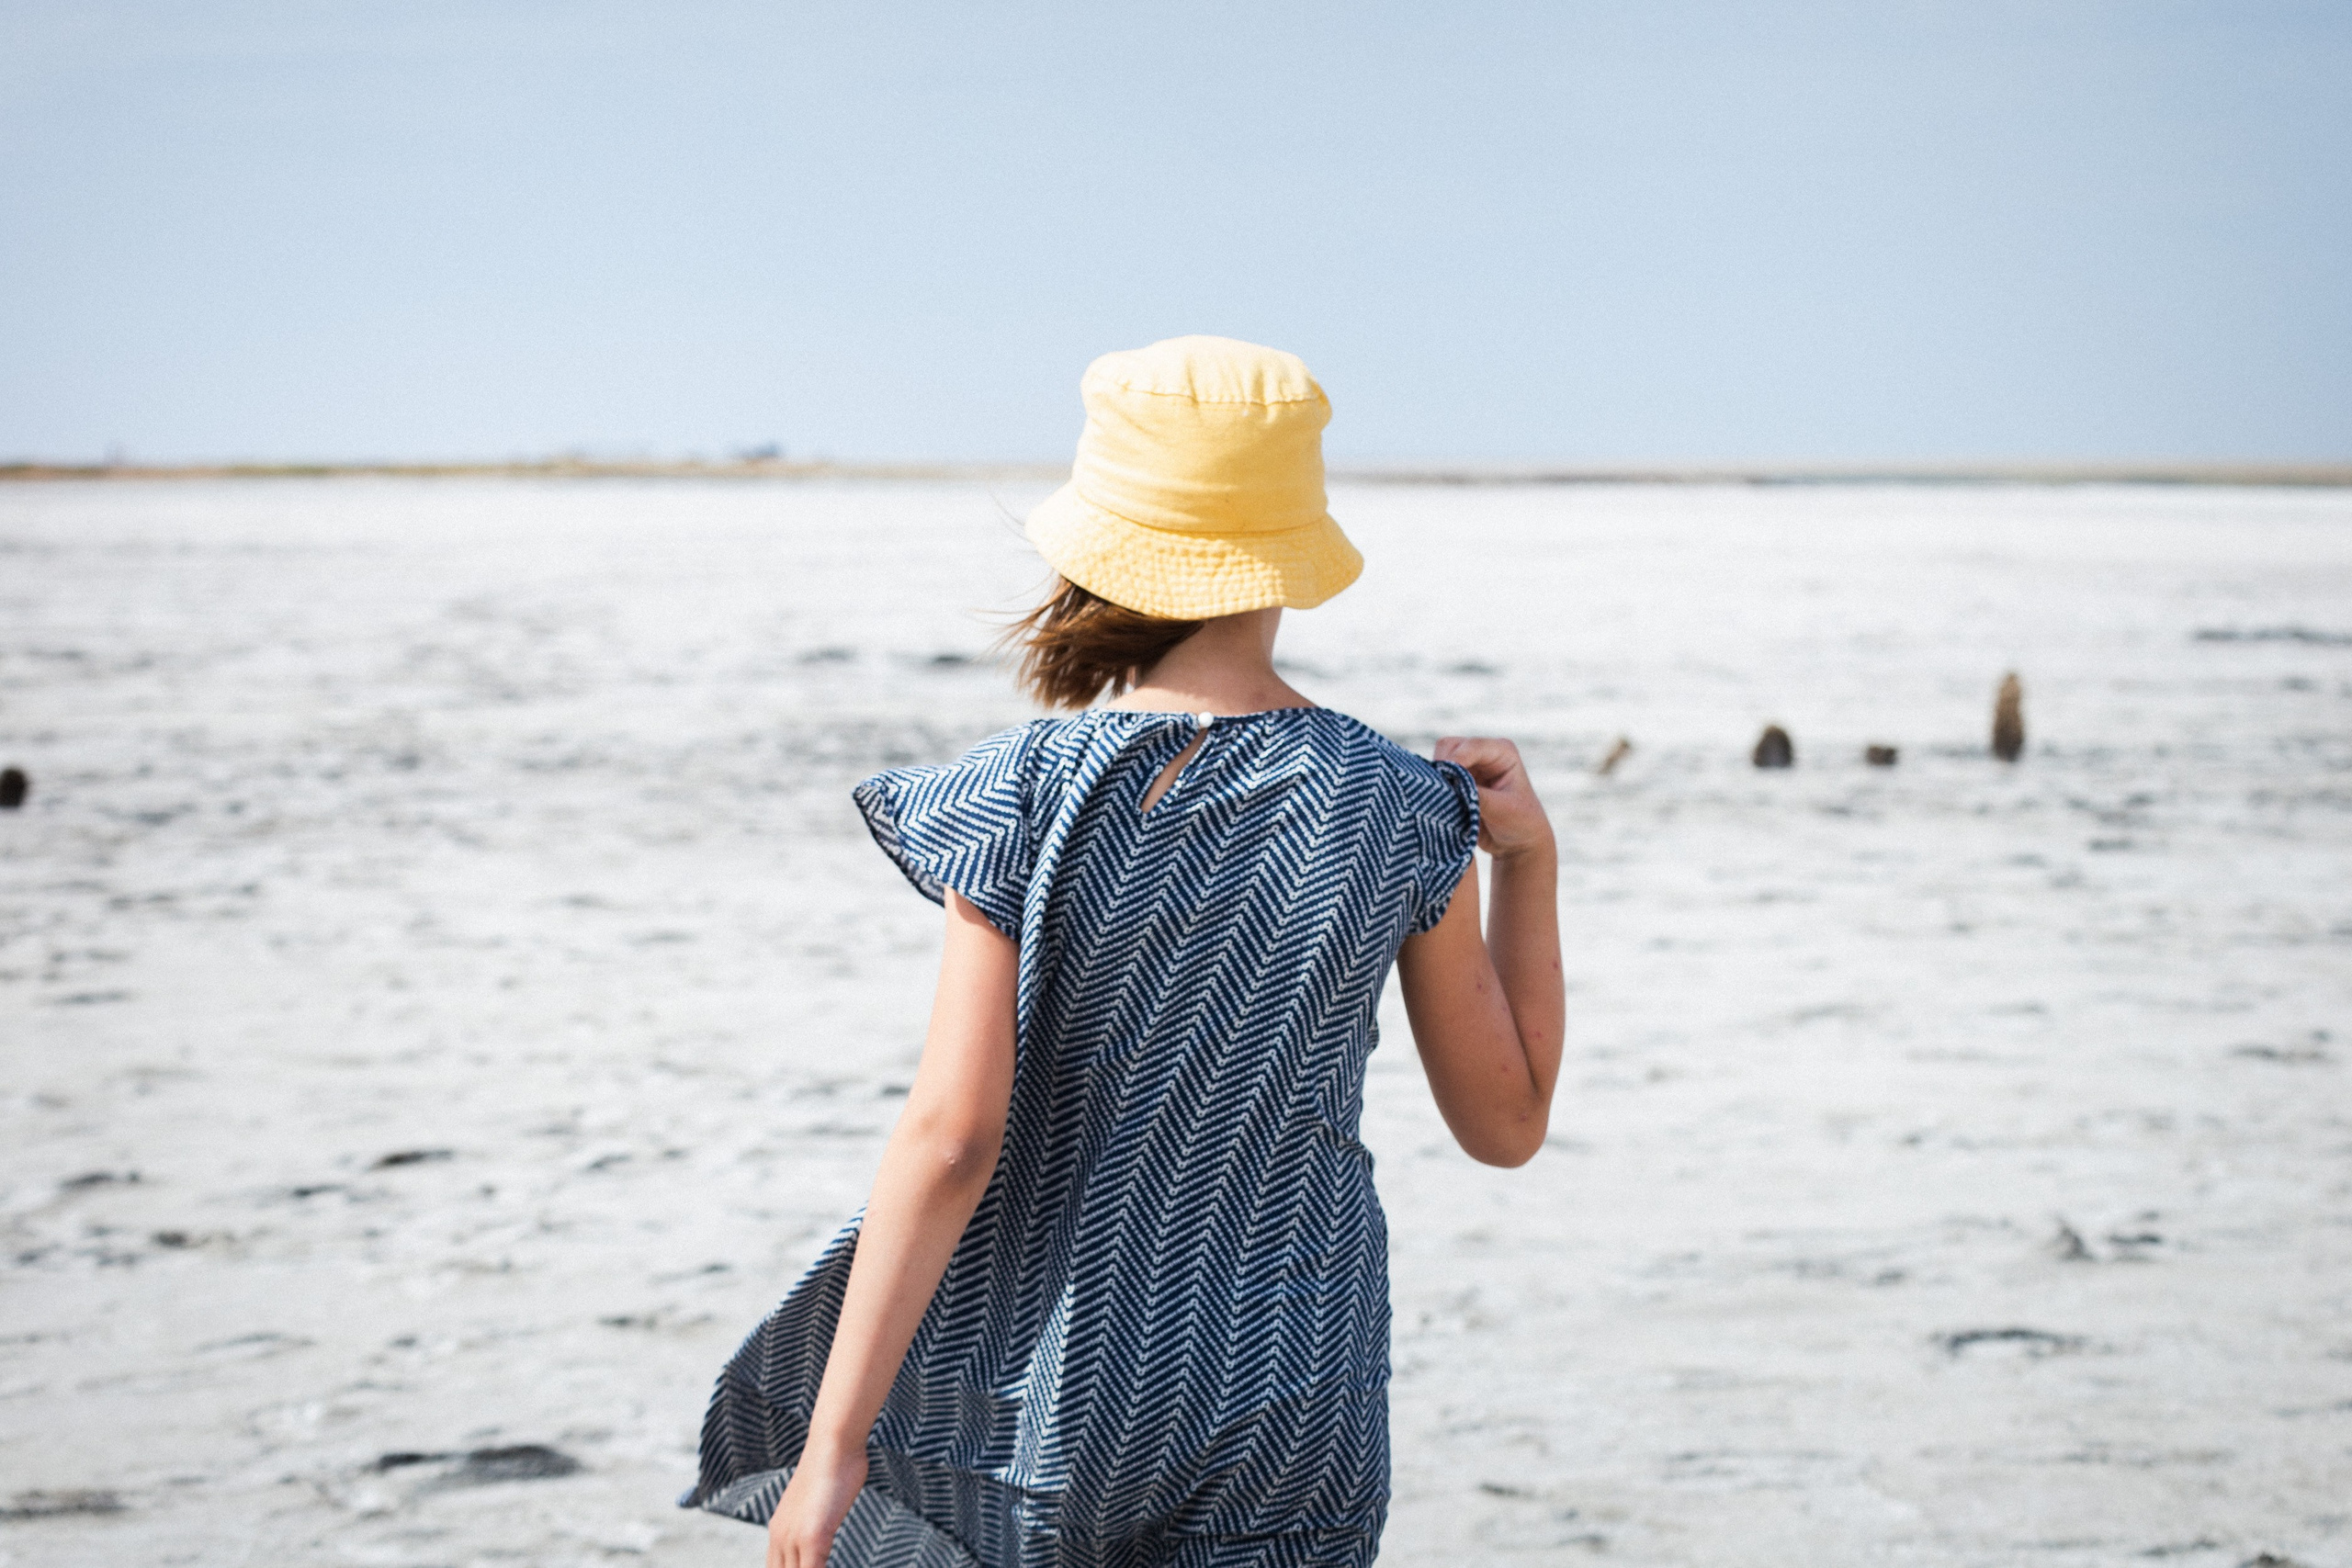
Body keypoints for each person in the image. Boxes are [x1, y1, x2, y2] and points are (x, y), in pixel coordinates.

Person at [683, 337, 1563, 1568]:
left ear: (1101, 546)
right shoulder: (1404, 807)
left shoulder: (1023, 794)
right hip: (1296, 1385)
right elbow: (1507, 1126)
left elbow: (951, 1140)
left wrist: (834, 1444)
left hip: (1051, 1389)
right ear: (1288, 560)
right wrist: (1527, 863)